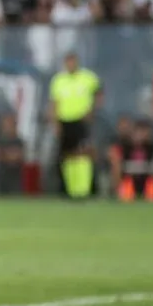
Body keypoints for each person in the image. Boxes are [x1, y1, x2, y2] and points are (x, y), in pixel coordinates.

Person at [48, 52, 102, 199]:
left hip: (81, 121)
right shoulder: (58, 80)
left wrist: (92, 111)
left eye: (73, 61)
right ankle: (67, 189)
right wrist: (55, 122)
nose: (70, 64)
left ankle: (88, 189)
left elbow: (99, 93)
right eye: (68, 62)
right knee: (64, 156)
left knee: (85, 153)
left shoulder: (88, 77)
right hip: (64, 121)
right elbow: (54, 103)